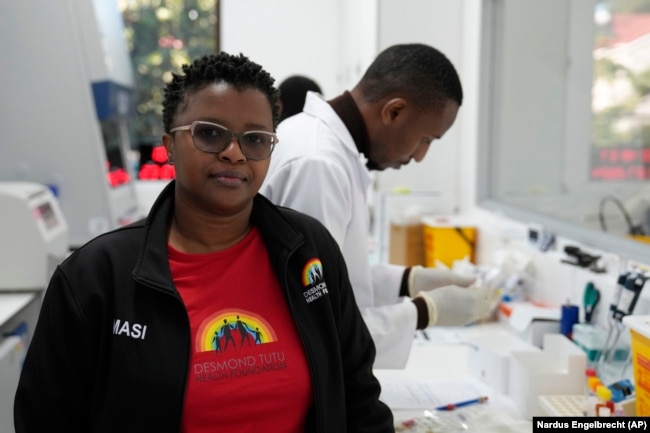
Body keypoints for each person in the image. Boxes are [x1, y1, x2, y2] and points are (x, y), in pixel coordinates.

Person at [14, 52, 394, 433]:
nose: (234, 152)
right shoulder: (94, 278)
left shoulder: (309, 249)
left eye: (256, 139)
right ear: (169, 145)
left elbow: (357, 393)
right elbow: (45, 419)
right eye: (210, 133)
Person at [261, 43, 498, 369]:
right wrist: (425, 311)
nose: (419, 156)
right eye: (426, 139)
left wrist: (409, 280)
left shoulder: (321, 144)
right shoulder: (319, 165)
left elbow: (331, 276)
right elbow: (316, 322)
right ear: (394, 111)